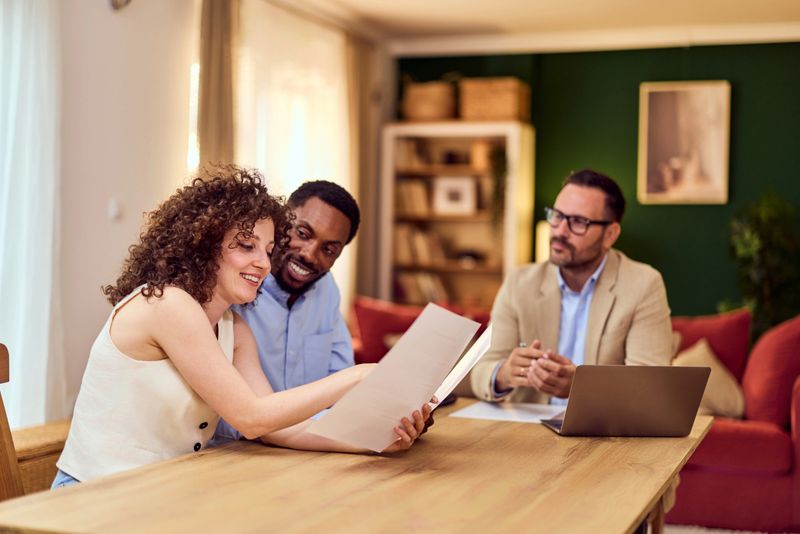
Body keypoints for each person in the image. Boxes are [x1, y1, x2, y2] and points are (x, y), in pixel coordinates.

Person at [53, 167, 431, 488]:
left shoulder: (234, 329)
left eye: (268, 250)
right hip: (95, 493)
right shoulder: (167, 304)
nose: (264, 264)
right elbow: (251, 417)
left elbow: (275, 428)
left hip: (160, 493)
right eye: (245, 246)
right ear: (203, 243)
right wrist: (360, 375)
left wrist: (374, 442)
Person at [471, 169, 673, 404]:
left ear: (610, 234)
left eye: (578, 222)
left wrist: (580, 386)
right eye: (557, 216)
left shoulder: (643, 284)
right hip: (528, 431)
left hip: (604, 432)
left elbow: (649, 385)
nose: (559, 231)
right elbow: (480, 371)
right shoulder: (519, 283)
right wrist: (505, 373)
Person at [213, 180, 360, 443]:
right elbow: (248, 418)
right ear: (281, 223)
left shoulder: (327, 291)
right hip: (231, 451)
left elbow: (342, 387)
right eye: (303, 233)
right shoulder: (236, 289)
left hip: (303, 445)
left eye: (329, 249)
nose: (310, 255)